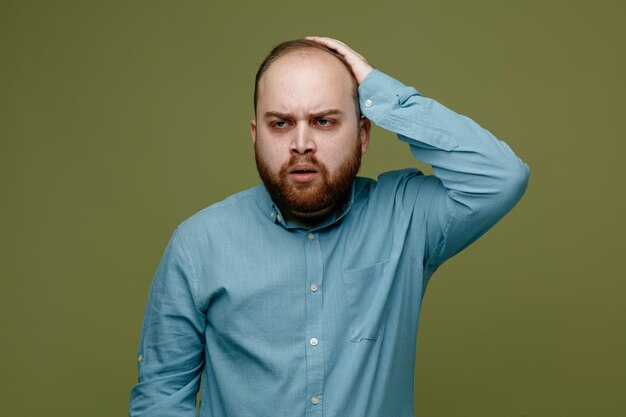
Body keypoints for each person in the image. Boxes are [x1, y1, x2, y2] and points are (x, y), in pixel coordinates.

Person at [129, 36, 530, 417]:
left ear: (363, 134)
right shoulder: (198, 244)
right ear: (256, 136)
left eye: (323, 121)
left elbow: (501, 178)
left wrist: (377, 88)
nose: (301, 144)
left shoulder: (406, 218)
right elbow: (161, 397)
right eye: (281, 124)